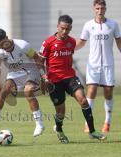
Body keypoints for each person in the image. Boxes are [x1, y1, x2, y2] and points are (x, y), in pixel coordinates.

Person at [39, 15, 106, 143]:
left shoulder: (71, 42)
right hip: (54, 80)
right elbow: (40, 62)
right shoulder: (48, 42)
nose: (65, 32)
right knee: (61, 112)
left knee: (84, 101)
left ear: (70, 28)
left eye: (68, 29)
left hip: (70, 77)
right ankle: (59, 130)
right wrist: (44, 77)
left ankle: (92, 132)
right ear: (58, 26)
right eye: (63, 28)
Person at [0, 28, 45, 137]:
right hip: (14, 74)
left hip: (31, 71)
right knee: (2, 93)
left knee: (28, 92)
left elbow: (37, 58)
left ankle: (39, 124)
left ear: (6, 38)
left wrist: (43, 77)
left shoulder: (23, 45)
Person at [76, 0, 121, 133]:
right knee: (91, 90)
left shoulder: (113, 24)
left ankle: (107, 122)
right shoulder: (88, 25)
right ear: (94, 9)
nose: (100, 11)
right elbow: (81, 42)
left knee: (108, 92)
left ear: (105, 9)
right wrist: (69, 48)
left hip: (108, 64)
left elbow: (119, 42)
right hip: (93, 64)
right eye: (97, 8)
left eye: (102, 8)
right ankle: (87, 123)